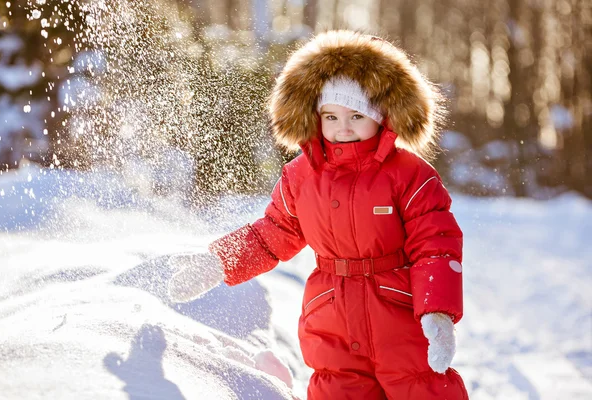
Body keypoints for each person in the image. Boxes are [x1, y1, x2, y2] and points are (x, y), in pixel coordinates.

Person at [169, 30, 469, 399]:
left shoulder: (410, 175)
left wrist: (437, 313)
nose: (343, 127)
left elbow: (435, 246)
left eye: (357, 115)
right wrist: (220, 262)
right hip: (331, 322)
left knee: (421, 388)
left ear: (382, 118)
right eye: (331, 116)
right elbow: (271, 234)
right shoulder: (300, 177)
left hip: (400, 320)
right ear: (315, 117)